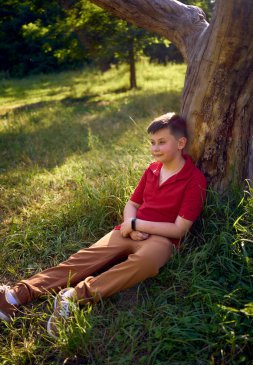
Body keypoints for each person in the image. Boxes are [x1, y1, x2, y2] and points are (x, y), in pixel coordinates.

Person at [0, 113, 207, 337]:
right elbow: (132, 203)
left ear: (181, 143)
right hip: (129, 230)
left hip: (161, 239)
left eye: (162, 142)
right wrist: (130, 223)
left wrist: (138, 224)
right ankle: (15, 295)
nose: (155, 148)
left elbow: (180, 229)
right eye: (152, 143)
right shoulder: (152, 170)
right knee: (86, 258)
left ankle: (73, 297)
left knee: (146, 262)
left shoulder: (194, 179)